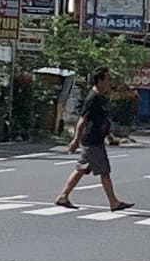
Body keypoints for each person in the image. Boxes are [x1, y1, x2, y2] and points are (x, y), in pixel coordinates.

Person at [52, 72, 130, 211]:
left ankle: (63, 196)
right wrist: (75, 139)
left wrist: (109, 135)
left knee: (82, 168)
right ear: (100, 80)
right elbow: (82, 120)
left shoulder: (99, 97)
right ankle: (113, 202)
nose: (109, 82)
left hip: (95, 138)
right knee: (104, 171)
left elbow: (101, 120)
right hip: (92, 140)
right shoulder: (92, 98)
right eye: (107, 79)